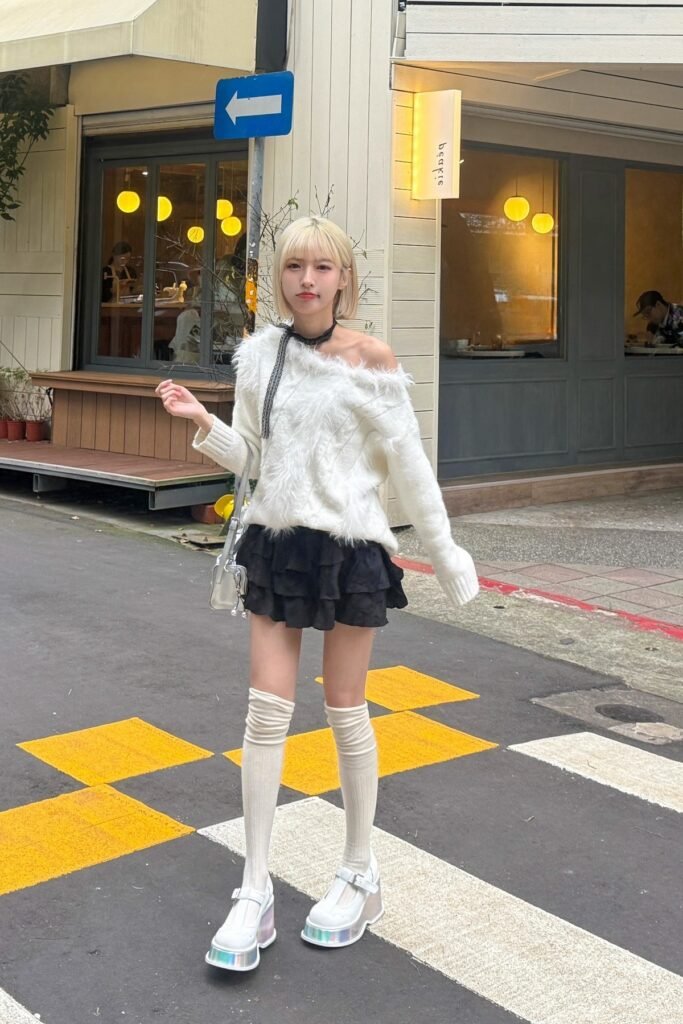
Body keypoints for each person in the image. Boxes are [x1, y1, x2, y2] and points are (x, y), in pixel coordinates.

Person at [156, 216, 479, 972]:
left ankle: (360, 872)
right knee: (264, 713)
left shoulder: (372, 360)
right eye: (294, 265)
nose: (307, 279)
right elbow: (253, 457)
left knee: (344, 710)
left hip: (349, 549)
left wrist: (445, 552)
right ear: (279, 277)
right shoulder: (260, 356)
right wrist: (202, 422)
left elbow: (410, 467)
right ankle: (254, 888)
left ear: (343, 279)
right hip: (277, 543)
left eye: (322, 267)